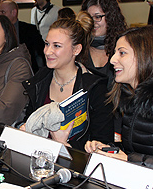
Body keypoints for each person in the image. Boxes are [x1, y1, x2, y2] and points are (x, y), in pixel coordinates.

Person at [22, 11, 114, 151]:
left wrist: (63, 146)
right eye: (47, 44)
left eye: (57, 46)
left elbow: (102, 145)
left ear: (76, 49)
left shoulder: (95, 88)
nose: (47, 51)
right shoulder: (39, 81)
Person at [85, 26, 153, 168]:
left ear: (145, 55)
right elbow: (134, 150)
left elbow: (133, 157)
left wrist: (130, 160)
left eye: (122, 53)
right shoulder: (131, 98)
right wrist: (109, 149)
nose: (112, 60)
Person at [80, 0, 127, 89]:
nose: (93, 23)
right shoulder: (78, 48)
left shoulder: (124, 48)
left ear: (111, 17)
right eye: (89, 17)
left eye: (98, 17)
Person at [0, 0, 45, 71]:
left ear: (14, 12)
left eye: (3, 12)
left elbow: (40, 50)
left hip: (26, 69)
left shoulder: (29, 30)